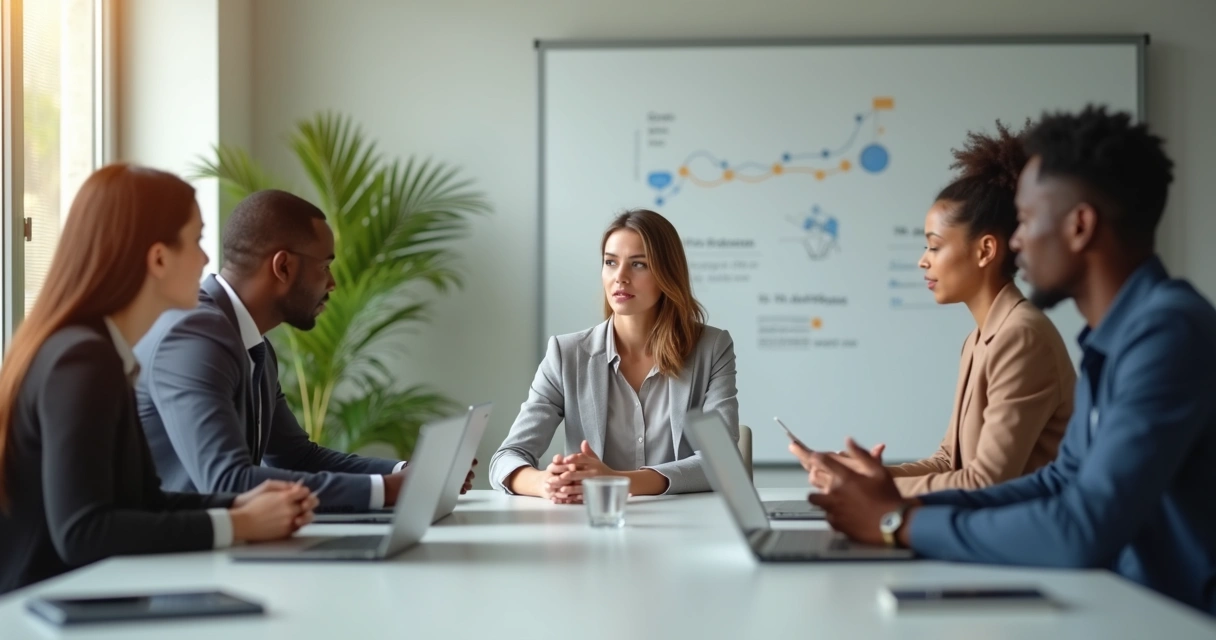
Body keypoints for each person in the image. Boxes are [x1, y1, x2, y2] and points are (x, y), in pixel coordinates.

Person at [795, 106, 1216, 616]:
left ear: (1080, 226)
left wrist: (897, 523)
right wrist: (895, 504)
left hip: (1174, 616)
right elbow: (1060, 480)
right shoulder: (1117, 337)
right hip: (1127, 601)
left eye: (1029, 219)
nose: (1016, 241)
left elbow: (1084, 526)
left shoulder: (1168, 333)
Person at [0, 165, 317, 594]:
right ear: (159, 258)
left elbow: (147, 502)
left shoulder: (99, 351)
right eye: (197, 241)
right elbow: (84, 532)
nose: (207, 260)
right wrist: (238, 523)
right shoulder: (82, 359)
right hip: (45, 613)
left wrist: (242, 504)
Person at [135, 189, 472, 513]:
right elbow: (227, 481)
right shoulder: (194, 336)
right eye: (325, 266)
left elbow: (297, 457)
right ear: (283, 267)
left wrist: (406, 472)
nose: (332, 283)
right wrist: (391, 490)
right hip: (162, 563)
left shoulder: (253, 345)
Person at [880, 123, 1075, 495]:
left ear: (985, 250)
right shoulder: (979, 339)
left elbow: (986, 482)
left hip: (1024, 542)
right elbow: (947, 462)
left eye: (934, 247)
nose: (923, 261)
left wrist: (873, 491)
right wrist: (865, 476)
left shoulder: (1021, 337)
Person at [490, 209, 738, 500]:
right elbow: (507, 456)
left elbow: (722, 463)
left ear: (667, 273)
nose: (620, 277)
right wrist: (546, 483)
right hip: (592, 525)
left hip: (685, 526)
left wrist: (616, 480)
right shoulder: (566, 354)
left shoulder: (711, 347)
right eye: (610, 262)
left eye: (639, 265)